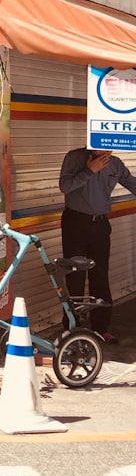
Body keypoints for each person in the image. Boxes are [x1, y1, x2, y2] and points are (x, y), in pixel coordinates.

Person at [58, 147, 136, 344]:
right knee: (74, 274)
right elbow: (64, 186)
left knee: (100, 275)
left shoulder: (115, 163)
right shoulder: (74, 158)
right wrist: (89, 170)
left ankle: (101, 328)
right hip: (75, 222)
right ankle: (71, 328)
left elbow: (132, 183)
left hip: (100, 224)